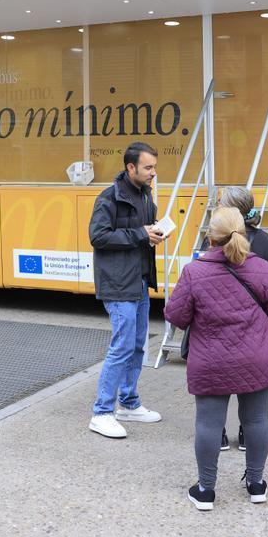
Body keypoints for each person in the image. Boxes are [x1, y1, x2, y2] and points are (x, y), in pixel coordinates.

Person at [164, 207, 268, 510]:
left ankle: (205, 490)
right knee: (257, 420)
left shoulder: (195, 271)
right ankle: (256, 484)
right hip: (257, 357)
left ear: (210, 236)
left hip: (211, 359)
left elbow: (176, 316)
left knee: (208, 424)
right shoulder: (260, 268)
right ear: (243, 233)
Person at [87, 141, 165, 439]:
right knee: (122, 346)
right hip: (118, 284)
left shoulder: (146, 195)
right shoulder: (108, 198)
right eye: (148, 167)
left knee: (137, 346)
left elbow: (139, 233)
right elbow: (98, 236)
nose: (153, 173)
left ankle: (129, 404)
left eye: (154, 167)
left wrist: (154, 232)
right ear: (130, 167)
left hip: (140, 281)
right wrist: (139, 234)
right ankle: (102, 412)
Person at [209, 185, 268, 452]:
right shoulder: (265, 241)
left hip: (219, 329)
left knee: (218, 387)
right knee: (253, 389)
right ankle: (248, 435)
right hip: (254, 329)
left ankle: (219, 435)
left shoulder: (213, 243)